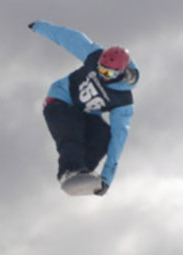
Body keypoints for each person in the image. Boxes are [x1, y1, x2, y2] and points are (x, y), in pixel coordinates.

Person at [29, 21, 139, 196]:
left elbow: (118, 141)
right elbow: (68, 38)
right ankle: (69, 170)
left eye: (108, 74)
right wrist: (40, 26)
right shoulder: (94, 56)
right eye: (101, 70)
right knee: (72, 131)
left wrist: (106, 179)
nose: (103, 75)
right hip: (59, 102)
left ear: (121, 74)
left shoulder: (122, 103)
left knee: (105, 135)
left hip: (84, 115)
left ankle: (81, 173)